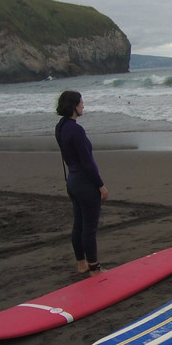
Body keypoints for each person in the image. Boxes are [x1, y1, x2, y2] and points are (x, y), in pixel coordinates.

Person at [55, 90, 109, 273]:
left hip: (72, 181)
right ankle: (94, 268)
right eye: (81, 103)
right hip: (85, 183)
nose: (83, 105)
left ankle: (81, 263)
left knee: (78, 224)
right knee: (89, 228)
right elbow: (87, 162)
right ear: (74, 106)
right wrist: (100, 185)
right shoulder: (76, 130)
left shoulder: (60, 127)